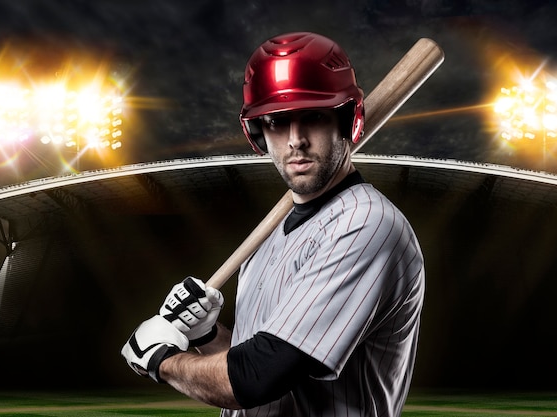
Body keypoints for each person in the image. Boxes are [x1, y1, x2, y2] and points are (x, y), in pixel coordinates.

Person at [121, 31, 425, 417]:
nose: (295, 140)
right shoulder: (266, 238)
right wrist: (207, 336)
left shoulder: (366, 225)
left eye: (313, 116)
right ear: (257, 133)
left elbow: (258, 376)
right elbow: (254, 363)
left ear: (348, 119)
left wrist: (161, 360)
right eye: (278, 121)